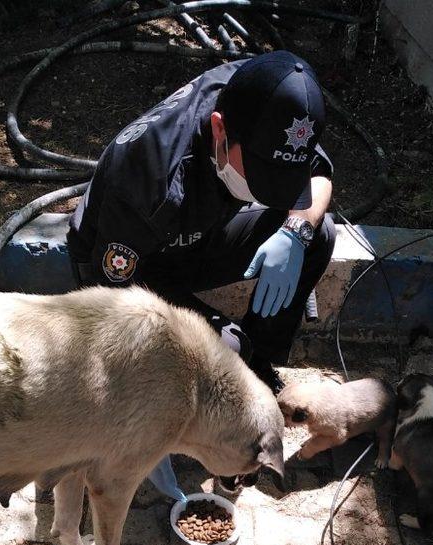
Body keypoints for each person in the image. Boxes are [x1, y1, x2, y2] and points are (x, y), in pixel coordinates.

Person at [67, 49, 336, 396]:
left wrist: (294, 232)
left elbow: (320, 177)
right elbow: (110, 301)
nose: (266, 190)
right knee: (228, 356)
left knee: (317, 232)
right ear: (219, 128)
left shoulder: (268, 98)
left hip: (200, 234)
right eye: (259, 173)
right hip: (136, 266)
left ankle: (259, 362)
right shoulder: (150, 177)